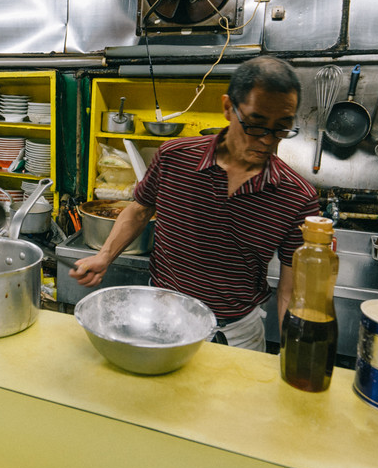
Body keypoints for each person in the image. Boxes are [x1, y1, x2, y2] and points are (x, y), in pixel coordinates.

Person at [71, 56, 320, 351]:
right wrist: (104, 257)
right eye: (255, 124)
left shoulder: (298, 196)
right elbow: (139, 210)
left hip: (237, 335)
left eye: (281, 128)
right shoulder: (174, 157)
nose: (268, 140)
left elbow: (291, 294)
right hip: (161, 321)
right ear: (228, 108)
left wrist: (295, 359)